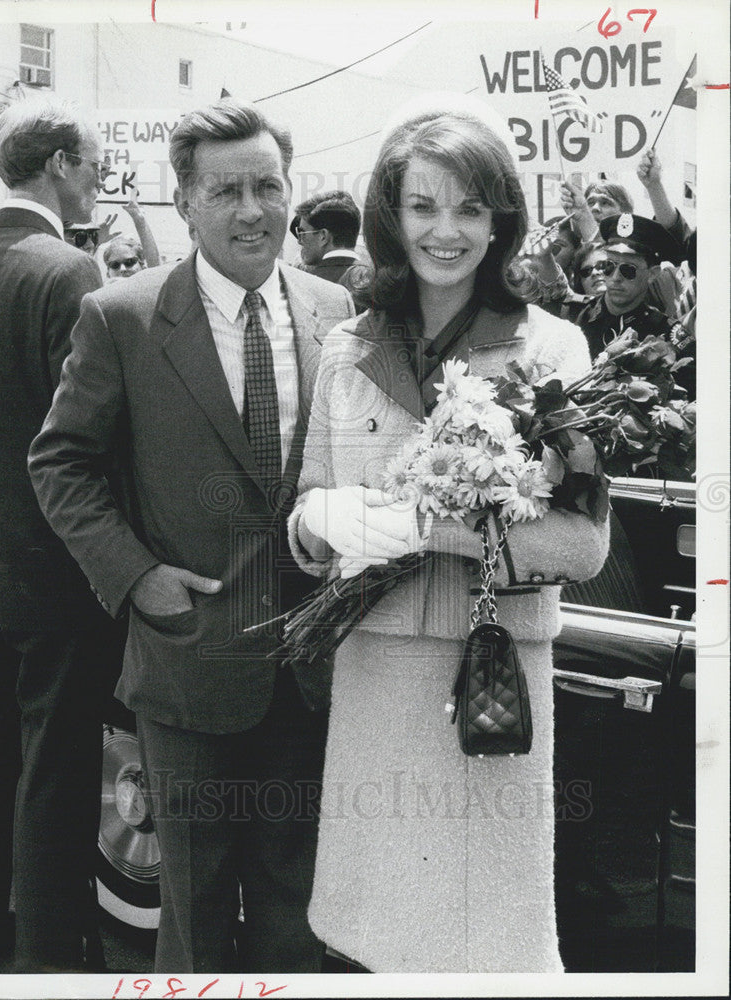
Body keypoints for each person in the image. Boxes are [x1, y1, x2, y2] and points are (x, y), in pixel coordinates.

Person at [28, 98, 355, 974]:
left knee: (299, 904)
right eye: (226, 191)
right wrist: (137, 579)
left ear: (293, 194)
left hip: (310, 667)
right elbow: (60, 465)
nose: (251, 210)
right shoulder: (123, 316)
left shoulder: (339, 312)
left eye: (268, 186)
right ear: (185, 203)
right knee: (195, 905)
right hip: (186, 666)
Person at [286, 96, 610, 973]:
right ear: (390, 217)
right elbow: (310, 501)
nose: (446, 231)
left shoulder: (553, 351)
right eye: (423, 206)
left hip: (491, 679)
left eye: (470, 208)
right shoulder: (348, 346)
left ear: (501, 221)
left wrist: (436, 528)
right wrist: (317, 526)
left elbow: (583, 548)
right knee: (374, 941)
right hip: (376, 676)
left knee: (482, 945)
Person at [0, 98, 121, 972]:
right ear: (63, 162)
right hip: (57, 578)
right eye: (96, 161)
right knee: (58, 782)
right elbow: (96, 442)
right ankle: (48, 966)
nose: (102, 177)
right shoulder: (66, 273)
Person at [576, 213, 683, 360]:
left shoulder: (667, 333)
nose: (615, 277)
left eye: (628, 270)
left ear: (652, 274)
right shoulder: (576, 315)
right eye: (608, 266)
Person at [290, 190, 361, 282]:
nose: (299, 241)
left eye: (302, 233)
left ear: (323, 236)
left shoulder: (303, 284)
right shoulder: (375, 278)